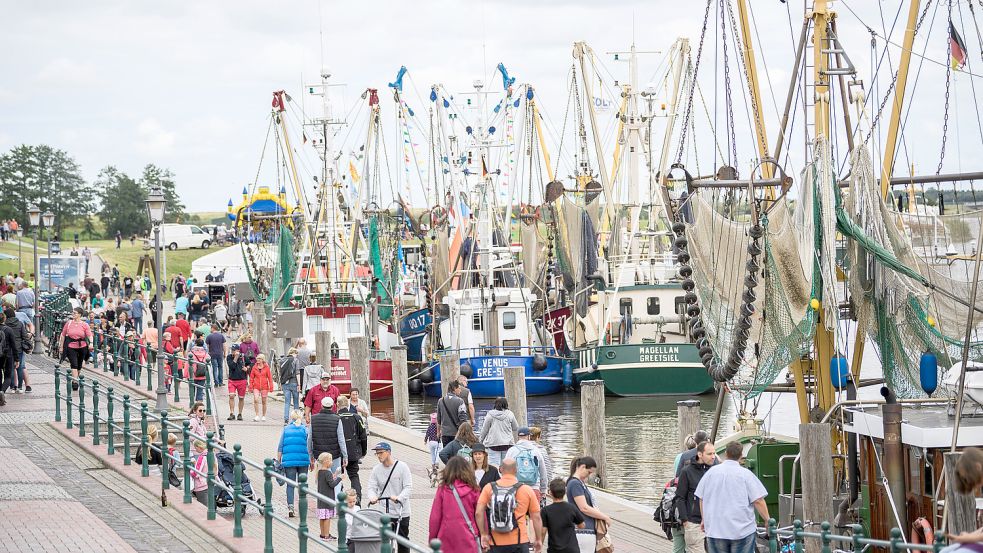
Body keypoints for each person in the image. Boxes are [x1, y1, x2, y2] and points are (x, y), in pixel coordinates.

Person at [695, 441, 769, 553]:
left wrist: (704, 519)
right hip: (741, 530)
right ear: (741, 455)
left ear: (725, 453)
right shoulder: (746, 475)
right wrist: (767, 520)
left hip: (716, 529)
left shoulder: (710, 473)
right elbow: (758, 500)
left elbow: (702, 498)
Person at [476, 458, 543, 553]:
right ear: (516, 470)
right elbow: (536, 517)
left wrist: (483, 534)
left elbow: (478, 513)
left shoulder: (489, 488)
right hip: (520, 542)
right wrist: (538, 539)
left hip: (495, 543)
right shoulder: (526, 490)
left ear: (500, 469)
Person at [429, 456, 481, 553]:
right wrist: (484, 535)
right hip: (468, 537)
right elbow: (479, 515)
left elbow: (435, 517)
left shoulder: (443, 489)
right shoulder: (474, 490)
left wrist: (432, 538)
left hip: (445, 537)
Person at [367, 442, 412, 552]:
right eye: (377, 453)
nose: (378, 455)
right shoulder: (376, 469)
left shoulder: (402, 467)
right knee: (383, 540)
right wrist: (372, 497)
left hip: (401, 511)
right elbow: (371, 487)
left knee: (402, 540)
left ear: (389, 452)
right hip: (384, 512)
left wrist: (399, 498)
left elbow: (408, 487)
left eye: (381, 453)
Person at [566, 456, 611, 553]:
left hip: (586, 530)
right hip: (583, 531)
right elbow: (584, 508)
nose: (588, 475)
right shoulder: (575, 484)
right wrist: (605, 517)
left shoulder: (579, 483)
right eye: (589, 472)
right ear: (582, 467)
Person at [676, 441, 715, 553]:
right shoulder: (687, 472)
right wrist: (685, 520)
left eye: (714, 453)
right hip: (694, 522)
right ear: (700, 454)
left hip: (714, 522)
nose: (713, 457)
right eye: (709, 454)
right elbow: (680, 497)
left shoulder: (715, 470)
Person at [277, 409, 312, 518]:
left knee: (290, 484)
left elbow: (280, 447)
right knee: (303, 484)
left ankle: (291, 506)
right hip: (303, 460)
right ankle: (302, 506)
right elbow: (310, 445)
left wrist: (279, 461)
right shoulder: (305, 430)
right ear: (300, 418)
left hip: (289, 461)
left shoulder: (286, 429)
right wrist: (312, 460)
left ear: (291, 418)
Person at [309, 396, 348, 490]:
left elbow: (309, 439)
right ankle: (337, 500)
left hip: (320, 455)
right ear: (332, 406)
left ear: (321, 406)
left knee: (321, 478)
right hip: (334, 455)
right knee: (336, 477)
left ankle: (322, 498)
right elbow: (341, 439)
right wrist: (345, 456)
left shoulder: (313, 419)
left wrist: (310, 455)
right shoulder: (337, 419)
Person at [541, 478, 585, 553]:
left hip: (555, 549)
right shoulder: (571, 508)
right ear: (565, 492)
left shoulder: (545, 510)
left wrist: (539, 546)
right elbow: (582, 525)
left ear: (550, 492)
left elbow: (543, 532)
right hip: (572, 549)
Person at [337, 395, 368, 503]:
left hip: (339, 453)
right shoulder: (356, 417)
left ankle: (339, 499)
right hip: (353, 452)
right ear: (348, 404)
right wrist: (363, 451)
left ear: (337, 405)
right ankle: (357, 499)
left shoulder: (335, 418)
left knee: (337, 476)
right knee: (354, 476)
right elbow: (363, 436)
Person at [506, 427, 549, 501]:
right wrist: (543, 490)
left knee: (518, 512)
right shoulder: (536, 451)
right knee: (534, 512)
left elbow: (505, 470)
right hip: (534, 488)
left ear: (518, 437)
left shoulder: (511, 451)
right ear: (529, 436)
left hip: (517, 488)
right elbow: (543, 471)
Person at [480, 397, 519, 466]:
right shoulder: (510, 414)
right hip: (507, 444)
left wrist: (480, 441)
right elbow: (515, 427)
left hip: (493, 444)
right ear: (506, 404)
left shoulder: (490, 415)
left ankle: (496, 476)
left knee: (494, 467)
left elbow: (484, 430)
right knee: (507, 465)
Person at [59, 308, 92, 391]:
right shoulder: (69, 323)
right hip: (71, 346)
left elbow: (89, 335)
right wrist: (61, 346)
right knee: (74, 364)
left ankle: (75, 378)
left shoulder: (84, 325)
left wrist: (91, 343)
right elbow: (63, 335)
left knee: (79, 365)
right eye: (73, 313)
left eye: (75, 313)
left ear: (80, 315)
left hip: (82, 346)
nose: (73, 314)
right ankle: (75, 382)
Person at [4, 307, 31, 393]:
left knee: (11, 368)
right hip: (19, 348)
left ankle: (12, 387)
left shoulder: (5, 325)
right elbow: (25, 336)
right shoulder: (19, 324)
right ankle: (20, 387)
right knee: (20, 367)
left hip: (9, 349)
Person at [437, 380, 469, 446]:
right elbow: (463, 419)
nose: (461, 390)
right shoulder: (460, 401)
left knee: (447, 453)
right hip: (457, 434)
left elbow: (439, 419)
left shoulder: (440, 401)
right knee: (456, 455)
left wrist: (438, 432)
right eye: (459, 388)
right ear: (454, 389)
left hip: (445, 434)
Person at [249, 353, 274, 421]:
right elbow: (251, 378)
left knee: (264, 401)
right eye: (257, 358)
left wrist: (271, 386)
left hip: (264, 387)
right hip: (256, 386)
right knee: (256, 399)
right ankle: (257, 415)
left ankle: (263, 415)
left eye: (259, 358)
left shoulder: (266, 367)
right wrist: (250, 386)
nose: (258, 360)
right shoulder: (254, 367)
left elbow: (270, 378)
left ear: (262, 360)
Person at [279, 348, 301, 424]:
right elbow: (297, 372)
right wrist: (299, 384)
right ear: (294, 353)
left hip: (285, 383)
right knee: (296, 402)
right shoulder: (295, 360)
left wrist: (281, 384)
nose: (297, 356)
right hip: (294, 382)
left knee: (287, 402)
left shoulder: (282, 360)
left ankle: (286, 419)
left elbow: (280, 373)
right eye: (297, 354)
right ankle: (296, 419)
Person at [226, 344, 247, 421]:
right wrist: (235, 358)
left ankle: (240, 413)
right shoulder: (229, 357)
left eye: (234, 350)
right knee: (231, 396)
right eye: (232, 350)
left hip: (242, 380)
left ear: (238, 350)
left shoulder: (244, 357)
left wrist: (247, 368)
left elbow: (250, 364)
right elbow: (232, 367)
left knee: (241, 398)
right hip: (232, 380)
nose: (232, 351)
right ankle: (231, 413)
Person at [191, 440, 209, 504]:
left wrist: (190, 470)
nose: (195, 450)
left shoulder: (201, 457)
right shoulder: (210, 455)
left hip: (201, 485)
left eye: (195, 448)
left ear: (199, 447)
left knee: (203, 506)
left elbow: (196, 474)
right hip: (208, 482)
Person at [425, 412, 440, 478]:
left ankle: (433, 464)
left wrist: (425, 440)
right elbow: (440, 434)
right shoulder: (438, 427)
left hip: (431, 442)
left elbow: (427, 434)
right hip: (436, 442)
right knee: (438, 452)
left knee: (432, 454)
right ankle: (436, 462)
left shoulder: (429, 427)